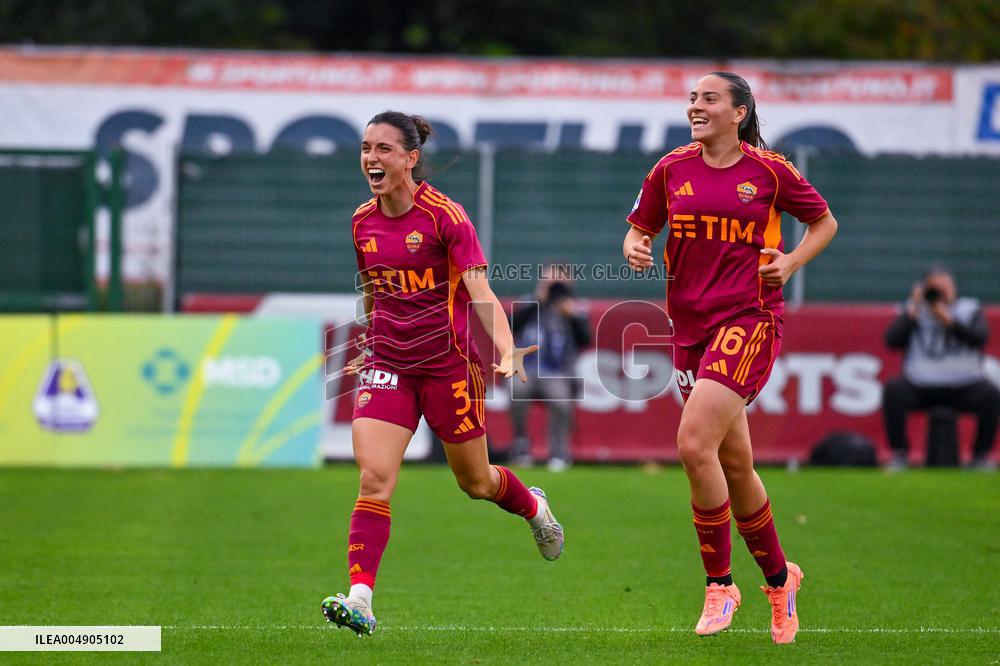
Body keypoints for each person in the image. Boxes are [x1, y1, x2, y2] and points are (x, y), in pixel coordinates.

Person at [321, 111, 564, 636]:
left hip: (447, 366)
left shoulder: (446, 217)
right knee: (374, 479)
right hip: (388, 362)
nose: (371, 158)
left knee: (476, 482)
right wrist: (369, 335)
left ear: (410, 158)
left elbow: (480, 291)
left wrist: (507, 348)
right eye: (366, 148)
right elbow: (371, 287)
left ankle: (534, 507)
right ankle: (361, 598)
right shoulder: (362, 220)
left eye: (384, 149)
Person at [623, 72, 838, 644]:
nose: (696, 107)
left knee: (694, 444)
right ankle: (779, 580)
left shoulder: (769, 171)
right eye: (693, 99)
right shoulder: (671, 168)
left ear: (738, 112)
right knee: (735, 465)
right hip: (688, 329)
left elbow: (824, 222)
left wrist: (790, 263)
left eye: (709, 99)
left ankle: (720, 585)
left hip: (749, 319)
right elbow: (640, 228)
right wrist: (636, 245)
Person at [882, 267, 999, 471]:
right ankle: (900, 454)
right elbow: (892, 341)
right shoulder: (915, 310)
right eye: (935, 289)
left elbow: (979, 339)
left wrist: (949, 321)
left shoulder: (968, 309)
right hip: (921, 384)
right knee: (893, 391)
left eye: (945, 288)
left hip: (964, 384)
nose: (940, 294)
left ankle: (980, 456)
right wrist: (914, 310)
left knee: (990, 396)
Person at [509, 264, 592, 471]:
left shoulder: (573, 308)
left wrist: (570, 314)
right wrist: (539, 300)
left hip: (557, 373)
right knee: (515, 390)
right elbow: (512, 326)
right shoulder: (530, 302)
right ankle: (521, 445)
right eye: (549, 280)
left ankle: (559, 452)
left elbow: (585, 339)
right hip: (527, 369)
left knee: (561, 402)